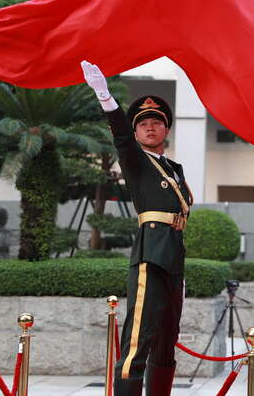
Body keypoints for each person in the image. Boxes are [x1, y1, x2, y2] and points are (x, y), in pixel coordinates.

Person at [81, 60, 192, 396]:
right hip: (151, 256)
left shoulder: (174, 168)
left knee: (167, 342)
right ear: (136, 132)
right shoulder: (136, 161)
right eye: (143, 124)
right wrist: (105, 98)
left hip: (173, 258)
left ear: (166, 129)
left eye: (156, 122)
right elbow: (120, 136)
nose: (150, 128)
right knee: (138, 340)